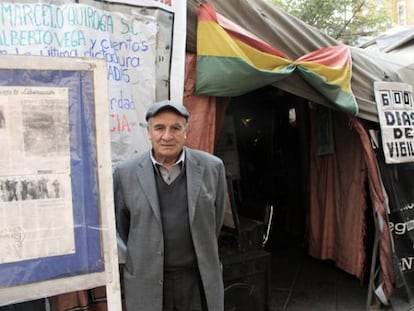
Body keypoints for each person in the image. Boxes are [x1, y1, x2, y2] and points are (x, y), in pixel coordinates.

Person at [113, 100, 227, 311]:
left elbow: (215, 221)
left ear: (186, 132)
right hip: (147, 280)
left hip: (197, 279)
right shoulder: (125, 174)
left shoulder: (212, 167)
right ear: (149, 132)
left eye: (175, 128)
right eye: (159, 128)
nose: (167, 136)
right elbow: (123, 227)